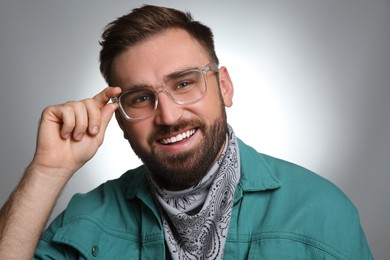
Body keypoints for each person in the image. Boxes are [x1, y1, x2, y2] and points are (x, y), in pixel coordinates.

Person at [0, 4, 372, 259]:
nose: (169, 115)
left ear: (224, 86)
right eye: (141, 97)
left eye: (183, 84)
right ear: (119, 116)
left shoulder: (322, 214)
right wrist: (47, 171)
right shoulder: (87, 222)